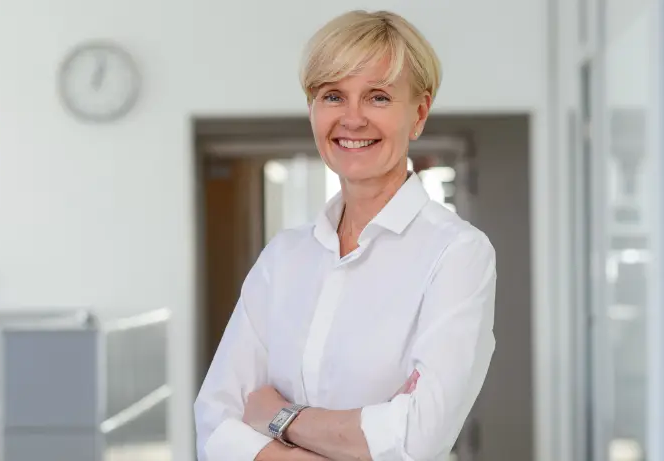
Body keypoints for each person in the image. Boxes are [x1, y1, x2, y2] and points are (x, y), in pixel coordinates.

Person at [194, 9, 496, 461]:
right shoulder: (285, 257)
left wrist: (278, 418)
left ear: (418, 113)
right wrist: (353, 434)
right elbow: (214, 424)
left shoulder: (456, 253)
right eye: (333, 96)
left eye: (377, 97)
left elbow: (419, 437)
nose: (352, 119)